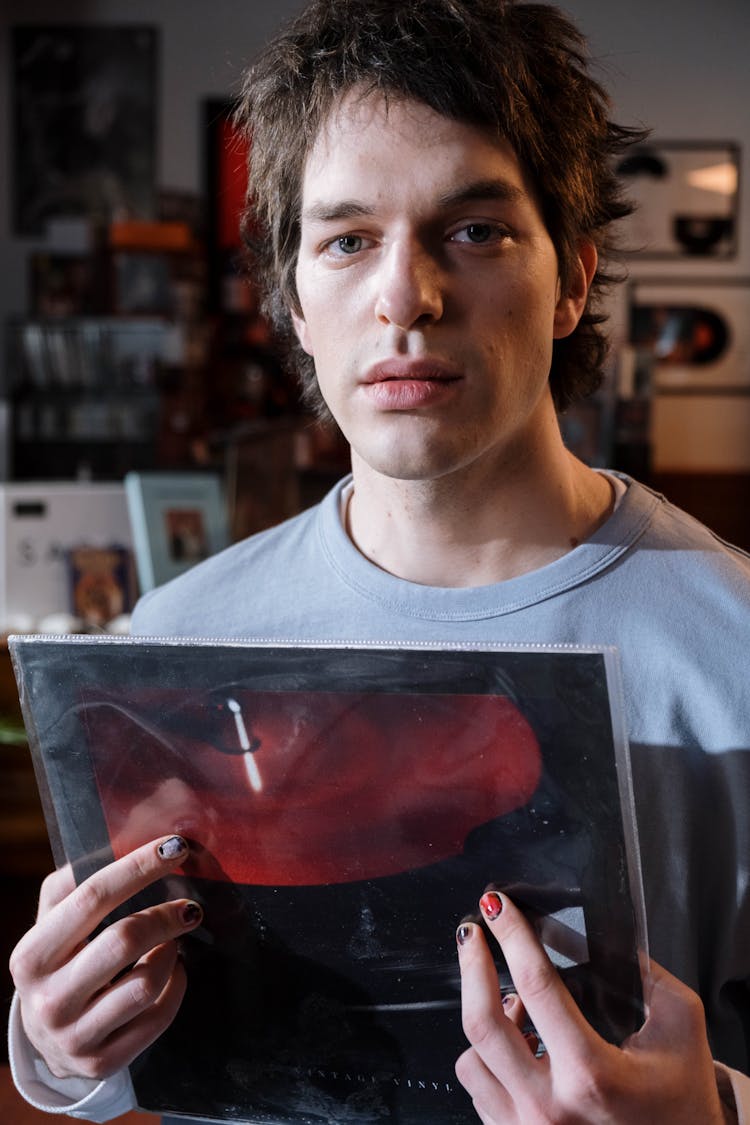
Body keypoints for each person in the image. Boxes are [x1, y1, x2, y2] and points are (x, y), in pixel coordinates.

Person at [8, 1, 750, 1122]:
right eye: (349, 239)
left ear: (575, 280)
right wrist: (54, 1046)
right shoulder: (177, 643)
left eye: (477, 230)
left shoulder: (735, 648)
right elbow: (120, 1066)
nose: (407, 296)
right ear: (296, 302)